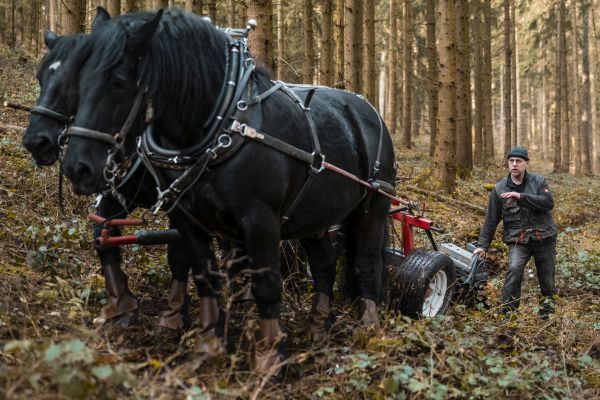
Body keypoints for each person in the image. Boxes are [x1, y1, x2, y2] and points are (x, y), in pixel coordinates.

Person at [473, 146, 558, 318]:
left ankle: (546, 318)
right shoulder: (499, 189)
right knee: (513, 270)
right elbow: (491, 220)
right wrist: (483, 246)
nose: (514, 164)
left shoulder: (539, 182)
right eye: (511, 161)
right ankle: (509, 316)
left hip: (544, 239)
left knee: (547, 281)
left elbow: (548, 202)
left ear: (526, 163)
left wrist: (521, 197)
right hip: (518, 241)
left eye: (518, 161)